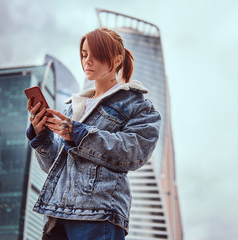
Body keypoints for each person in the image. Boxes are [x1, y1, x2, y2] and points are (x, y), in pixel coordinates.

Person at [26, 28, 161, 240]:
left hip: (98, 213)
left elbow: (134, 152)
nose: (87, 61)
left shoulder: (138, 105)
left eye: (95, 54)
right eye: (84, 54)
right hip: (56, 216)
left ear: (117, 60)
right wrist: (41, 133)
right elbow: (52, 165)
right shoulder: (73, 108)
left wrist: (78, 134)